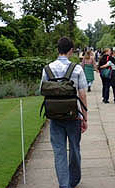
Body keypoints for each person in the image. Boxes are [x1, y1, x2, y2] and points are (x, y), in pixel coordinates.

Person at [39, 37, 88, 188]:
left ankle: (64, 184)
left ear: (57, 50)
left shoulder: (47, 69)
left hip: (54, 116)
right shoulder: (77, 69)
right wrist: (85, 117)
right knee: (74, 148)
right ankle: (73, 180)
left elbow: (42, 90)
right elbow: (82, 94)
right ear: (71, 50)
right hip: (73, 115)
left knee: (59, 151)